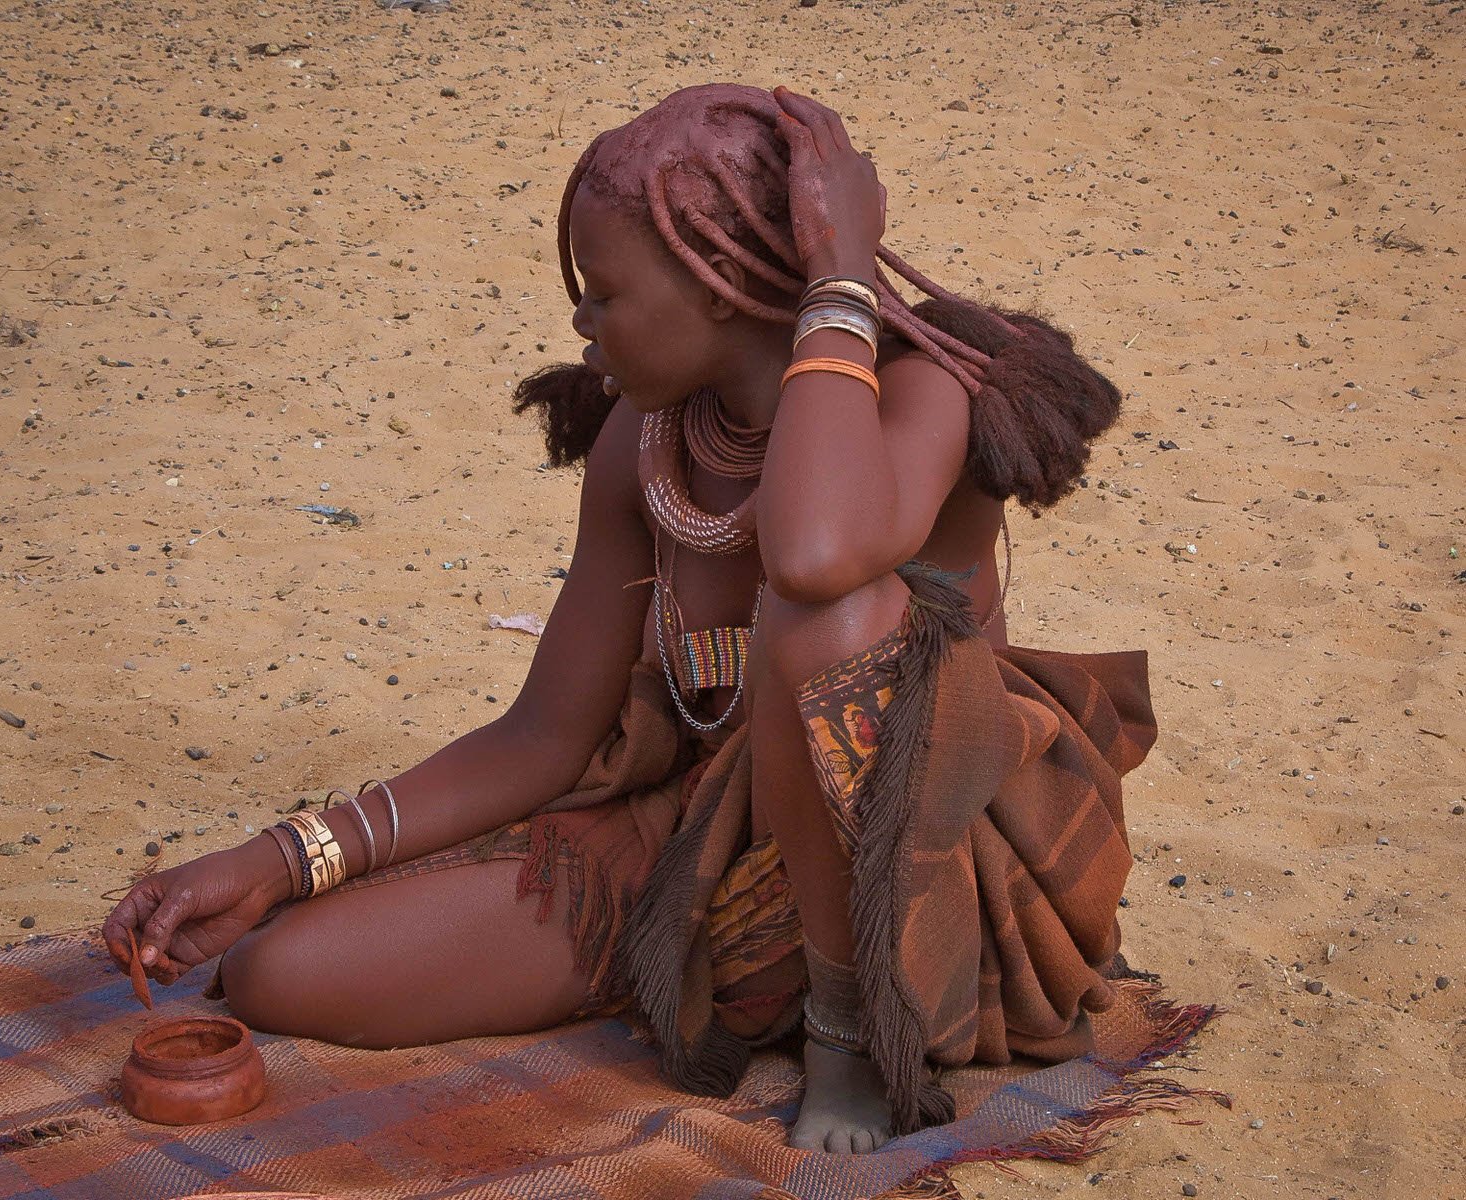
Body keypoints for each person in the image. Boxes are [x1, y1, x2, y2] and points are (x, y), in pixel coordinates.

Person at [103, 83, 1156, 1155]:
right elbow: (545, 736)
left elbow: (816, 551)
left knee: (817, 620)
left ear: (718, 290)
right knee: (281, 974)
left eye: (602, 293)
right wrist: (283, 858)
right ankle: (726, 971)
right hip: (695, 842)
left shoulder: (923, 388)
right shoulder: (643, 441)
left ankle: (847, 1028)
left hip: (925, 866)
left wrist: (838, 276)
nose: (579, 322)